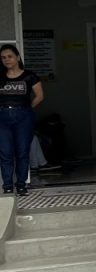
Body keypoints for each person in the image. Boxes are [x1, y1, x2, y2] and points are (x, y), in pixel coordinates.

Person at [0, 44, 43, 196]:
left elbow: (39, 96)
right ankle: (7, 185)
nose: (7, 60)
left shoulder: (29, 76)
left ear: (17, 57)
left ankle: (21, 184)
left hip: (23, 117)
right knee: (5, 152)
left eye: (10, 56)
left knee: (22, 151)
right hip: (2, 117)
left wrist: (26, 108)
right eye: (3, 58)